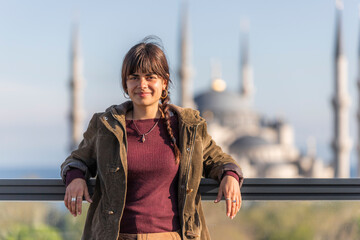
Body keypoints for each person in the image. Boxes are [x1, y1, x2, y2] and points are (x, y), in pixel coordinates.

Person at [60, 36, 243, 240]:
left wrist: (230, 176)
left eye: (150, 77)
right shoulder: (106, 126)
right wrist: (75, 178)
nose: (142, 84)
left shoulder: (188, 126)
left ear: (164, 82)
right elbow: (77, 160)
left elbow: (218, 160)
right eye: (134, 77)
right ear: (125, 83)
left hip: (172, 236)